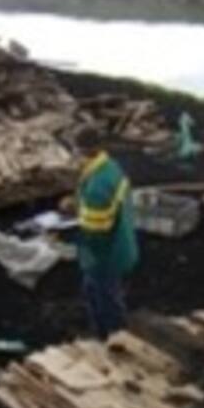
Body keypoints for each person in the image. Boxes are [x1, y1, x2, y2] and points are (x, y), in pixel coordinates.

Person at [67, 125, 139, 339]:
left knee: (106, 298)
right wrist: (77, 203)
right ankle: (106, 333)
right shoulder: (110, 167)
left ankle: (114, 339)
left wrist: (69, 237)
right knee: (95, 291)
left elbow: (95, 233)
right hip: (121, 241)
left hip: (104, 255)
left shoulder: (97, 186)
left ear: (81, 150)